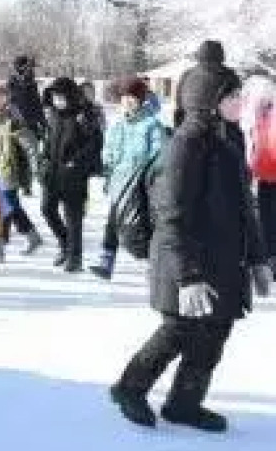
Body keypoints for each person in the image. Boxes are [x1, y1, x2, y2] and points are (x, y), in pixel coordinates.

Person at [110, 61, 270, 432]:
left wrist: (258, 258)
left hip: (223, 259)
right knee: (179, 329)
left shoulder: (228, 140)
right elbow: (171, 217)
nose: (240, 101)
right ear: (209, 100)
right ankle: (130, 387)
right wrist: (188, 277)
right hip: (188, 260)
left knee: (215, 330)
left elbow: (244, 208)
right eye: (232, 95)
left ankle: (185, 403)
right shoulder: (185, 145)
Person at [89, 77, 166, 280]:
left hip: (141, 184)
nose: (127, 102)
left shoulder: (151, 125)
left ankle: (154, 263)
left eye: (132, 98)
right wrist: (108, 173)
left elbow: (159, 154)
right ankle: (106, 261)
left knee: (145, 224)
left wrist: (148, 177)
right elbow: (109, 152)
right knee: (112, 221)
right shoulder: (118, 125)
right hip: (119, 183)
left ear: (140, 100)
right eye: (124, 98)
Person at [39, 76, 102, 273]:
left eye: (61, 97)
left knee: (73, 218)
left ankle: (75, 258)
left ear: (70, 96)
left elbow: (95, 143)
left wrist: (76, 161)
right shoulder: (54, 116)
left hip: (74, 175)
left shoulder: (83, 116)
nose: (57, 101)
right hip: (52, 174)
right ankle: (65, 242)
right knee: (47, 209)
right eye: (54, 97)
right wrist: (43, 160)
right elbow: (48, 142)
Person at [0, 81, 42, 260]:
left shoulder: (13, 120)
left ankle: (0, 249)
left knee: (5, 208)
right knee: (11, 208)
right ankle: (32, 236)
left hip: (9, 171)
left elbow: (30, 144)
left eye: (0, 96)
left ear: (6, 98)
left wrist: (36, 167)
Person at [248, 76, 276, 258]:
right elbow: (256, 147)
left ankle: (270, 253)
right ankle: (270, 254)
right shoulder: (260, 119)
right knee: (267, 219)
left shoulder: (263, 118)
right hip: (264, 176)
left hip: (268, 176)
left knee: (268, 219)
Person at [173, 40, 226, 130]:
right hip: (218, 129)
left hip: (188, 127)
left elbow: (179, 103)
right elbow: (236, 108)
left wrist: (178, 128)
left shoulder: (187, 74)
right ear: (220, 55)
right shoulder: (228, 75)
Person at [8, 55, 46, 138]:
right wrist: (19, 119)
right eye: (28, 68)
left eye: (31, 68)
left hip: (33, 122)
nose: (31, 70)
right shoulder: (13, 83)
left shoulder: (31, 83)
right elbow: (12, 103)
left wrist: (43, 121)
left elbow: (36, 102)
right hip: (19, 124)